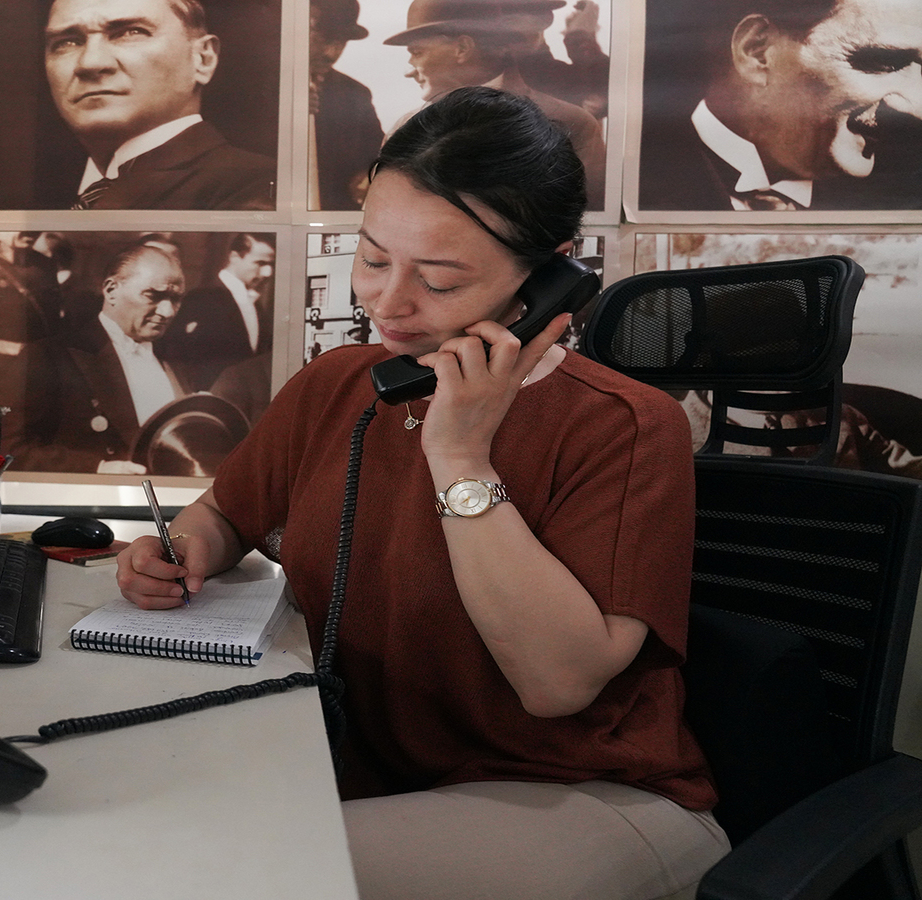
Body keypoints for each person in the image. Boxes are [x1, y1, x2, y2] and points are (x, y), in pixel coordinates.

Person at [115, 87, 729, 899]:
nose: (387, 301)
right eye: (374, 258)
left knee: (224, 874)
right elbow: (227, 512)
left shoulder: (625, 426)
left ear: (550, 275)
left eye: (439, 280)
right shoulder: (338, 386)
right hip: (375, 779)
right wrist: (184, 549)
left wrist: (461, 455)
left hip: (579, 793)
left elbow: (556, 683)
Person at [639, 0, 922, 211]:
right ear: (758, 52)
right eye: (885, 62)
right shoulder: (637, 180)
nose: (916, 107)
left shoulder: (895, 202)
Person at [44, 0, 277, 210]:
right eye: (67, 42)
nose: (90, 63)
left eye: (131, 32)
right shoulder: (43, 197)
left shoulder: (260, 188)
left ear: (203, 59)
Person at [385, 0, 608, 209]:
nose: (408, 71)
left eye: (417, 52)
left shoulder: (572, 123)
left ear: (462, 48)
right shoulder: (405, 129)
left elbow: (588, 216)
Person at [2, 242, 193, 474]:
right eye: (153, 295)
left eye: (176, 299)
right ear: (111, 290)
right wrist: (97, 469)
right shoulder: (49, 356)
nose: (168, 311)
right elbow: (10, 451)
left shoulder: (179, 362)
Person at [157, 233, 276, 392]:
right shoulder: (200, 298)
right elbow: (177, 357)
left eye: (271, 264)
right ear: (234, 257)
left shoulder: (256, 304)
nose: (268, 272)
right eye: (260, 263)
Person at [310, 0, 385, 210]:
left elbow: (380, 153)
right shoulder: (259, 86)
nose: (331, 53)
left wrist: (371, 174)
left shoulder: (355, 94)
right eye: (323, 39)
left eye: (341, 42)